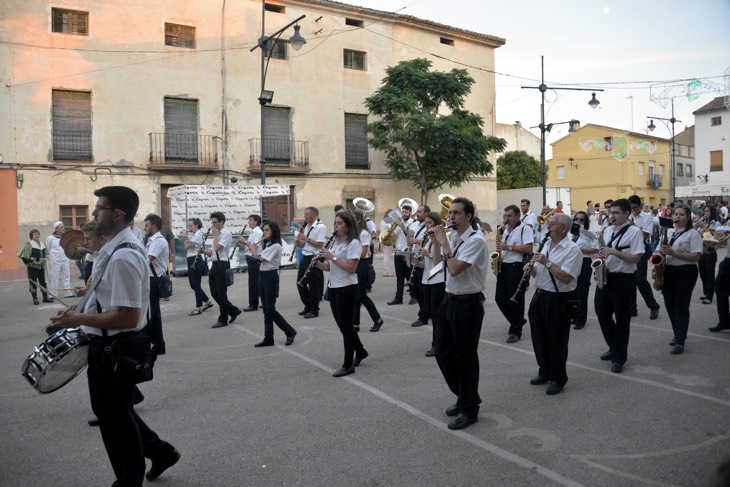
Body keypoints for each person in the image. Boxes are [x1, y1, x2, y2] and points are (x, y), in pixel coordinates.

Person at [49, 186, 180, 485]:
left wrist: (77, 317)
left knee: (115, 421)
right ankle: (162, 453)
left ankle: (129, 480)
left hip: (113, 348)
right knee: (116, 414)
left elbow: (128, 315)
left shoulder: (123, 256)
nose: (94, 213)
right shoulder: (113, 251)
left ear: (117, 215)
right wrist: (76, 310)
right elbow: (108, 299)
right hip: (105, 345)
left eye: (100, 208)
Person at [430, 197, 489, 430]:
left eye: (455, 213)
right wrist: (437, 243)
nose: (450, 217)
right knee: (442, 352)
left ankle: (469, 408)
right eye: (450, 212)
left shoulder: (476, 240)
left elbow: (454, 270)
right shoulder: (453, 238)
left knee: (465, 357)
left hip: (468, 304)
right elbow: (437, 266)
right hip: (449, 299)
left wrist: (444, 242)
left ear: (468, 216)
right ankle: (466, 396)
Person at [527, 213, 582, 395]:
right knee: (539, 337)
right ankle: (545, 371)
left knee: (557, 341)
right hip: (540, 295)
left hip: (559, 300)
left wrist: (546, 262)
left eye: (551, 224)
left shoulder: (573, 250)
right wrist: (531, 269)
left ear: (563, 228)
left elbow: (566, 278)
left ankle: (559, 378)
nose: (547, 226)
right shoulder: (545, 245)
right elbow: (541, 274)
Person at [594, 198, 645, 373]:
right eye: (610, 212)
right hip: (605, 277)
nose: (611, 215)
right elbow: (600, 251)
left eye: (615, 213)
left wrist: (614, 251)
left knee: (622, 321)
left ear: (626, 213)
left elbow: (636, 258)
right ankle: (614, 347)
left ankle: (619, 357)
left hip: (623, 280)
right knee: (602, 314)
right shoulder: (607, 230)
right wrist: (597, 257)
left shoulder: (634, 232)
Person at [316, 211, 368, 377]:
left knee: (346, 328)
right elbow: (331, 267)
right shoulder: (336, 242)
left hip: (347, 288)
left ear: (348, 225)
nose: (336, 226)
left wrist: (332, 257)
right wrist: (318, 264)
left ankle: (348, 365)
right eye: (335, 223)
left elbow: (351, 268)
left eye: (339, 223)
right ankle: (360, 351)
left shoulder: (353, 243)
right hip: (334, 287)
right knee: (342, 325)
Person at [659, 204, 702, 354]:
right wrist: (657, 257)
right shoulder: (668, 232)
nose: (677, 217)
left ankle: (680, 340)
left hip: (685, 272)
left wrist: (673, 252)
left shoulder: (693, 234)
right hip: (668, 271)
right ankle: (677, 333)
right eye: (675, 214)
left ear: (688, 217)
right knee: (670, 305)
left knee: (681, 306)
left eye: (681, 215)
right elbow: (659, 250)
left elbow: (696, 256)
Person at [247, 221, 297, 347]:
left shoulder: (276, 245)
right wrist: (251, 249)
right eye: (264, 230)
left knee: (270, 310)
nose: (265, 232)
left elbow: (260, 259)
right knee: (266, 310)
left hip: (271, 276)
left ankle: (290, 331)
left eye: (267, 230)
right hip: (263, 275)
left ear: (273, 231)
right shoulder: (267, 243)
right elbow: (259, 260)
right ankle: (269, 338)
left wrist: (254, 251)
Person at [495, 204, 534, 343]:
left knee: (515, 299)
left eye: (510, 215)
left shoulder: (525, 228)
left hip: (516, 267)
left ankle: (515, 331)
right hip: (504, 266)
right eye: (505, 216)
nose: (507, 218)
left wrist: (508, 247)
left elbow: (528, 248)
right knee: (499, 298)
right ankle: (517, 320)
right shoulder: (505, 230)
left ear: (518, 216)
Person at [203, 211, 241, 328]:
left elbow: (217, 247)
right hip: (215, 264)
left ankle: (223, 319)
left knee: (221, 293)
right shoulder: (218, 233)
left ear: (221, 222)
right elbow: (213, 252)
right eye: (212, 222)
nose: (212, 225)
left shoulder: (225, 234)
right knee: (214, 292)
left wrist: (215, 235)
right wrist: (203, 251)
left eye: (215, 222)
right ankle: (233, 310)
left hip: (222, 264)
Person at [628, 195, 661, 320]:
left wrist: (633, 226)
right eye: (630, 208)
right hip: (628, 250)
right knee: (630, 280)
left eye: (635, 208)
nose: (633, 210)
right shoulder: (628, 216)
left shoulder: (647, 217)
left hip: (641, 250)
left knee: (640, 280)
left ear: (640, 206)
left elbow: (645, 236)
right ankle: (632, 308)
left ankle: (654, 306)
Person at [419, 211, 446, 357]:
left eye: (429, 223)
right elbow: (427, 264)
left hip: (438, 280)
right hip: (427, 279)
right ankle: (438, 341)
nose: (427, 225)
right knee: (430, 313)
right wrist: (418, 262)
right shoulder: (428, 240)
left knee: (437, 315)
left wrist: (427, 254)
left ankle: (437, 344)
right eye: (426, 223)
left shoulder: (440, 239)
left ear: (436, 224)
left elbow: (441, 263)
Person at [352, 211, 384, 332]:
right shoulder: (354, 233)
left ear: (359, 220)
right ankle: (355, 324)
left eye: (353, 219)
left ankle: (378, 320)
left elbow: (364, 253)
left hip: (362, 264)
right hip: (355, 263)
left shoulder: (364, 233)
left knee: (361, 295)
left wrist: (350, 254)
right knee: (356, 296)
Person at [295, 207, 327, 319]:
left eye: (306, 214)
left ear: (313, 215)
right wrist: (299, 242)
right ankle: (308, 305)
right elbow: (306, 245)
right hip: (306, 256)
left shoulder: (320, 227)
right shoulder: (307, 226)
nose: (305, 217)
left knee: (313, 285)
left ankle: (314, 310)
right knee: (300, 283)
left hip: (315, 257)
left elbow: (320, 244)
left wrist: (306, 238)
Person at [144, 214, 169, 355]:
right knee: (154, 314)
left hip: (153, 280)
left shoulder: (158, 241)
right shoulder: (152, 240)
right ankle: (159, 345)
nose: (145, 228)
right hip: (151, 279)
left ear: (154, 226)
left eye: (147, 225)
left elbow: (147, 260)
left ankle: (149, 345)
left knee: (150, 314)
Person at [572, 211, 599, 330]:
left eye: (581, 220)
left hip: (584, 262)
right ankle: (573, 315)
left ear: (586, 222)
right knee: (571, 291)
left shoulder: (590, 234)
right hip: (571, 263)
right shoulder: (569, 233)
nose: (578, 222)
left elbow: (596, 249)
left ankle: (581, 319)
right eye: (576, 219)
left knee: (582, 292)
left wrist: (580, 249)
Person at [183, 218, 213, 316]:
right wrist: (186, 238)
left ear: (196, 225)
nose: (189, 228)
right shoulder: (193, 235)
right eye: (188, 226)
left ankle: (198, 306)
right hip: (190, 259)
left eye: (191, 226)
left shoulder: (198, 235)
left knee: (196, 284)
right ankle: (207, 302)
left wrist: (184, 237)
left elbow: (187, 246)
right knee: (193, 285)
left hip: (195, 260)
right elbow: (186, 246)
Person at [407, 205, 431, 326]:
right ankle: (426, 312)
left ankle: (423, 316)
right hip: (416, 260)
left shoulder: (430, 227)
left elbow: (429, 241)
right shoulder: (419, 226)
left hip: (424, 262)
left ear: (426, 213)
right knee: (417, 290)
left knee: (422, 292)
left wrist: (415, 241)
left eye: (419, 212)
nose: (417, 214)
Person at [388, 204, 414, 305]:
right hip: (398, 251)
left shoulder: (412, 223)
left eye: (406, 212)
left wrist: (401, 226)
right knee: (399, 277)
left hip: (407, 252)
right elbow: (395, 236)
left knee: (409, 276)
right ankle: (398, 298)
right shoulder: (400, 222)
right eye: (402, 212)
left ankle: (414, 296)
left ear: (410, 213)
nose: (404, 214)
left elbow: (410, 235)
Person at [18, 229, 51, 304]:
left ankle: (45, 297)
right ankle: (35, 298)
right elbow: (24, 256)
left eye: (38, 234)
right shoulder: (29, 244)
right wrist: (29, 262)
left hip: (42, 266)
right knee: (33, 282)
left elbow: (46, 253)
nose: (37, 235)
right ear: (31, 236)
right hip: (32, 267)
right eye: (35, 234)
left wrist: (46, 258)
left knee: (43, 281)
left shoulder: (43, 243)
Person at [240, 214, 263, 312]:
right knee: (256, 281)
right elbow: (248, 248)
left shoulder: (258, 232)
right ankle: (263, 300)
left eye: (251, 220)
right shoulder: (253, 232)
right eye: (248, 220)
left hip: (255, 259)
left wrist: (244, 241)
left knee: (254, 282)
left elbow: (254, 247)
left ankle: (253, 304)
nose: (249, 222)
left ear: (256, 221)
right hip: (250, 258)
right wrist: (241, 246)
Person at [46, 221, 73, 299]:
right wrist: (51, 257)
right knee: (55, 277)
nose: (63, 228)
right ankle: (53, 294)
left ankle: (67, 292)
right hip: (55, 261)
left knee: (66, 276)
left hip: (65, 259)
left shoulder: (66, 237)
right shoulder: (50, 238)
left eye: (63, 227)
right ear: (56, 229)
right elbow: (47, 248)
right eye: (61, 227)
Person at [698, 205, 720, 305]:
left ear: (712, 213)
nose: (705, 213)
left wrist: (704, 230)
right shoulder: (702, 223)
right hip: (702, 250)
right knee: (702, 272)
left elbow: (715, 237)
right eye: (705, 211)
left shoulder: (716, 223)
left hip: (710, 251)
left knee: (710, 274)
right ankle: (706, 292)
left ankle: (709, 296)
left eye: (707, 211)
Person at [380, 209, 394, 277]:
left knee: (386, 255)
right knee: (387, 256)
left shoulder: (383, 220)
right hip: (388, 239)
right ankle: (386, 271)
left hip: (382, 238)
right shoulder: (389, 220)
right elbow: (391, 228)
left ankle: (385, 270)